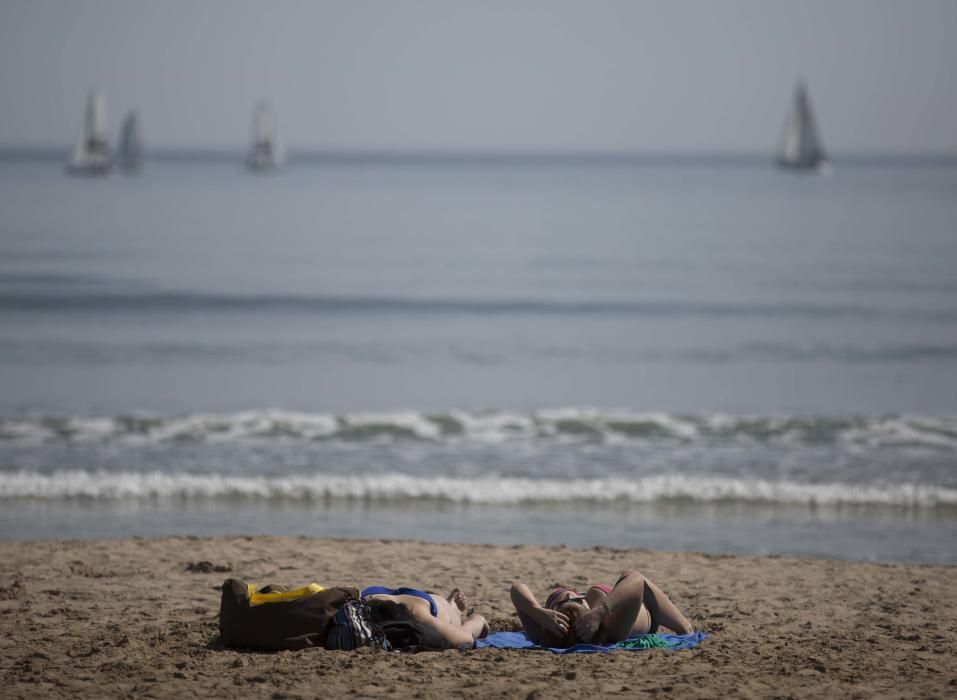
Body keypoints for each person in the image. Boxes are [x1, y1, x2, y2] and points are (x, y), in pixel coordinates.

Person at [509, 571, 693, 647]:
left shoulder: (542, 633)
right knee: (685, 630)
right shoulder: (612, 628)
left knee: (591, 595)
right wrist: (600, 612)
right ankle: (682, 624)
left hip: (609, 602)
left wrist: (536, 611)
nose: (574, 595)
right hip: (646, 605)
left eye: (569, 599)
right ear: (588, 620)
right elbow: (636, 580)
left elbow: (516, 588)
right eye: (577, 602)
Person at [360, 585, 489, 648]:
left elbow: (465, 637)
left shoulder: (418, 614)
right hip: (385, 594)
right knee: (441, 610)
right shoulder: (362, 601)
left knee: (452, 620)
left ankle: (453, 610)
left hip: (378, 594)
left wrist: (476, 619)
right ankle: (450, 607)